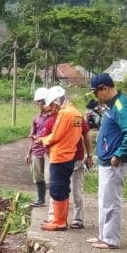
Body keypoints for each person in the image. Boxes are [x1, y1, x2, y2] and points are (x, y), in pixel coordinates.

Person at [87, 73, 127, 249]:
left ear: (105, 89)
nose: (96, 97)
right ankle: (103, 235)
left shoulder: (120, 105)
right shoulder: (111, 106)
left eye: (96, 93)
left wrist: (119, 154)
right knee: (104, 199)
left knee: (111, 201)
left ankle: (111, 239)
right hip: (106, 160)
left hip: (114, 161)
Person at [36, 86, 83, 231]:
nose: (52, 110)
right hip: (69, 156)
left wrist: (42, 140)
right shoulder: (76, 113)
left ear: (57, 102)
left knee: (57, 189)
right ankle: (61, 220)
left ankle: (58, 221)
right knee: (63, 189)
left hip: (60, 156)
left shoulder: (64, 114)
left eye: (53, 106)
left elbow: (56, 136)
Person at [25, 87, 51, 207]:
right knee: (38, 176)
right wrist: (28, 153)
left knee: (50, 177)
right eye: (39, 102)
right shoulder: (36, 119)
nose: (41, 104)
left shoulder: (54, 117)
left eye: (43, 101)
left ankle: (54, 201)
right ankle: (41, 199)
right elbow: (32, 137)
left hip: (49, 151)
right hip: (37, 151)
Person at [70, 116, 93, 229]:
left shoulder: (76, 117)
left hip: (76, 158)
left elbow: (86, 134)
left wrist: (89, 156)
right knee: (58, 190)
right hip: (59, 159)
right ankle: (57, 217)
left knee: (76, 189)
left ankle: (78, 218)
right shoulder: (54, 115)